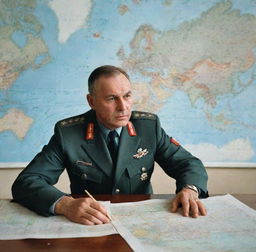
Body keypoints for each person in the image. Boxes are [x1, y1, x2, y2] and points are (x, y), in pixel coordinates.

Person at [12, 65, 208, 225]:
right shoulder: (68, 133)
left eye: (127, 96)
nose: (123, 107)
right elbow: (27, 182)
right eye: (112, 98)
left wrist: (190, 189)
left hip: (142, 222)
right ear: (92, 101)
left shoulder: (148, 127)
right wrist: (66, 205)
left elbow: (188, 164)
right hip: (90, 225)